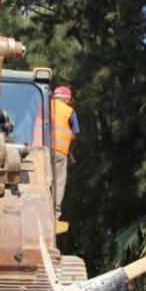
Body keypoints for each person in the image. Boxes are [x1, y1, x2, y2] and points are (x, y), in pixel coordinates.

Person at [52, 85, 79, 219]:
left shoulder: (43, 107)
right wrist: (69, 152)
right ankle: (55, 211)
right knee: (59, 181)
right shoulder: (69, 111)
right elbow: (74, 134)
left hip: (41, 151)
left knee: (44, 179)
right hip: (60, 152)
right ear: (67, 99)